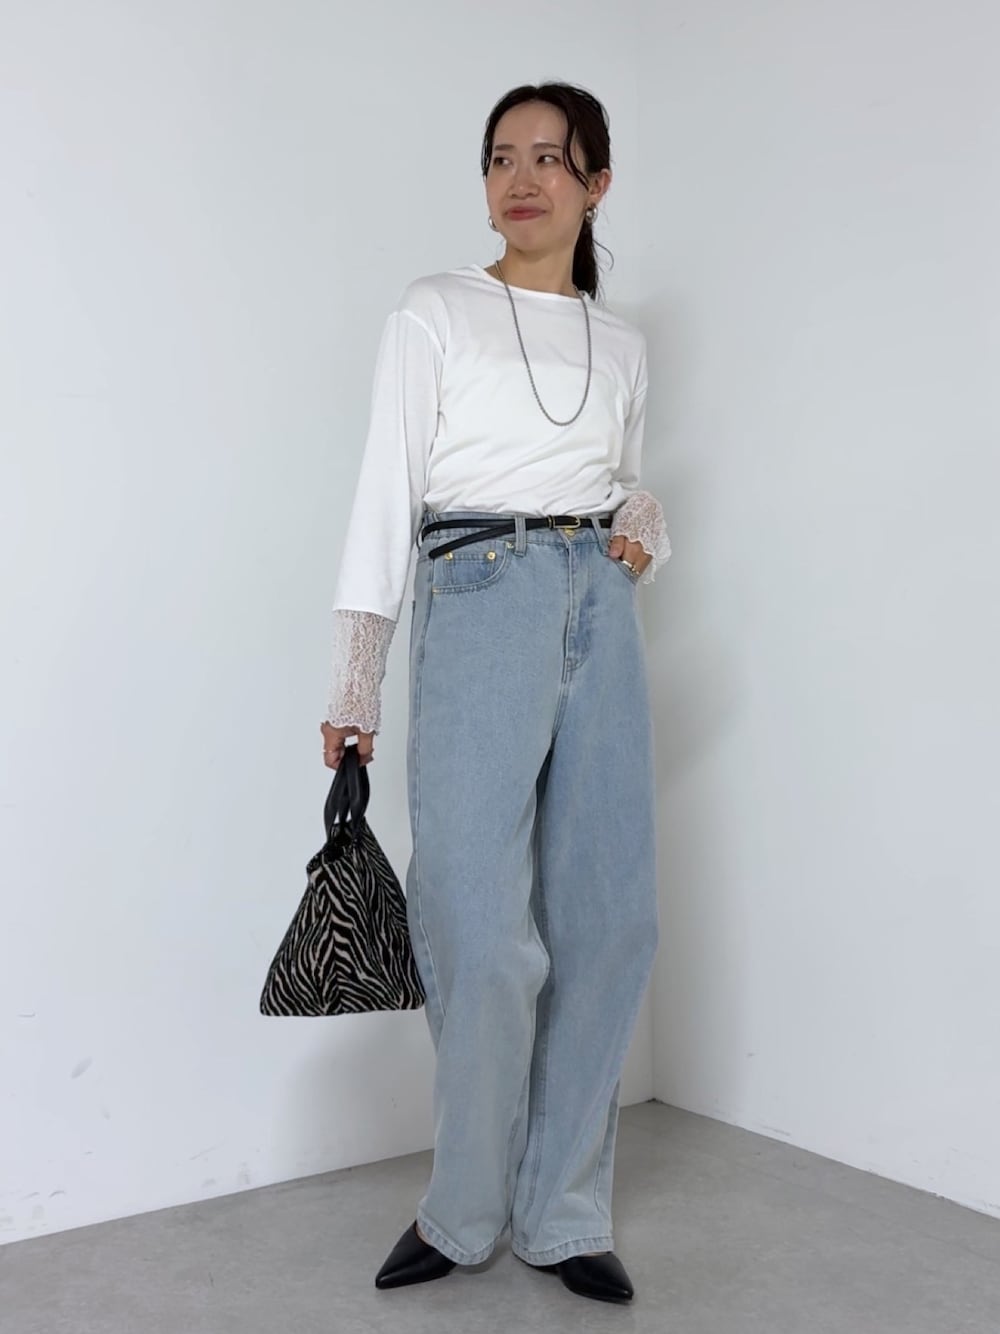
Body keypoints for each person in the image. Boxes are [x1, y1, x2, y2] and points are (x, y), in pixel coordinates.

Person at [320, 81, 670, 1306]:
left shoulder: (622, 344)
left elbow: (622, 479)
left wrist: (639, 525)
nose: (522, 179)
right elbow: (386, 485)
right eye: (500, 158)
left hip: (598, 610)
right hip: (476, 591)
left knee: (609, 916)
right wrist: (357, 672)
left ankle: (563, 1209)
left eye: (549, 158)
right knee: (476, 920)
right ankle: (464, 1206)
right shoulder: (434, 309)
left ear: (595, 183)